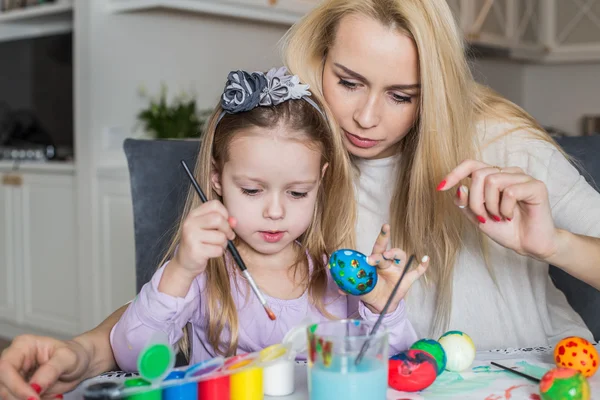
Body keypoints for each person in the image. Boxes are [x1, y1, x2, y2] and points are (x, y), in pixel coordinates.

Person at [3, 0, 600, 397]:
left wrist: (556, 244)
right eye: (348, 82)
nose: (367, 117)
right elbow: (190, 296)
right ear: (317, 61)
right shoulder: (295, 151)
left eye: (403, 95)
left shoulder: (503, 146)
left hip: (540, 377)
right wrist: (81, 352)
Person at [110, 67, 425, 368]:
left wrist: (383, 307)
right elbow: (132, 357)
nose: (275, 212)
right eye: (251, 190)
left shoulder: (334, 280)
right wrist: (180, 271)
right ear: (216, 177)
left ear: (320, 180)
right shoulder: (203, 276)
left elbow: (394, 367)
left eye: (297, 193)